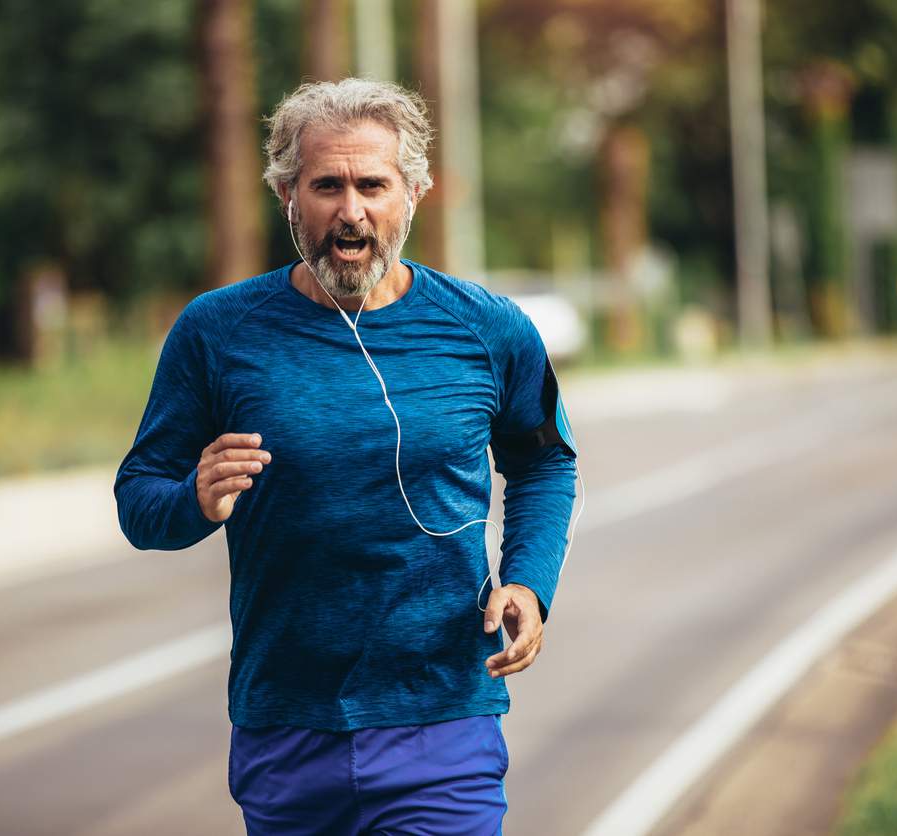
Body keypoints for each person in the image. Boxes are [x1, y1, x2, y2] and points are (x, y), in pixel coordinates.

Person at [114, 78, 578, 835]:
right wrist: (193, 499)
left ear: (415, 193)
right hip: (286, 724)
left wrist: (529, 580)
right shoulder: (219, 332)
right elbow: (139, 502)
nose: (351, 210)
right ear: (286, 195)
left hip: (442, 718)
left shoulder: (487, 329)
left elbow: (545, 462)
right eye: (327, 185)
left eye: (373, 184)